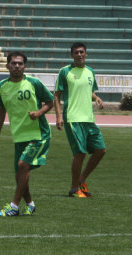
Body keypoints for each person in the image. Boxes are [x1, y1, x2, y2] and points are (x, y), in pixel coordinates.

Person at [0, 51, 54, 216]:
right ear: (7, 66)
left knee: (23, 165)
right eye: (13, 63)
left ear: (25, 66)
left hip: (38, 134)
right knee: (20, 175)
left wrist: (39, 113)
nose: (17, 66)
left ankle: (14, 206)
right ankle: (30, 204)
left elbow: (50, 102)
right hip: (19, 136)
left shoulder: (34, 83)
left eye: (20, 63)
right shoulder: (2, 87)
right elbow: (1, 109)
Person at [54, 42, 106, 198]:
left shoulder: (91, 71)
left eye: (82, 52)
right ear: (72, 55)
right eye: (76, 52)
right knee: (80, 153)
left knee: (100, 150)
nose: (79, 55)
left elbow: (89, 90)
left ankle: (81, 180)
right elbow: (57, 95)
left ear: (86, 54)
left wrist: (96, 97)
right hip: (72, 118)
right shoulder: (65, 71)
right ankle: (73, 189)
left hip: (89, 119)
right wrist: (58, 116)